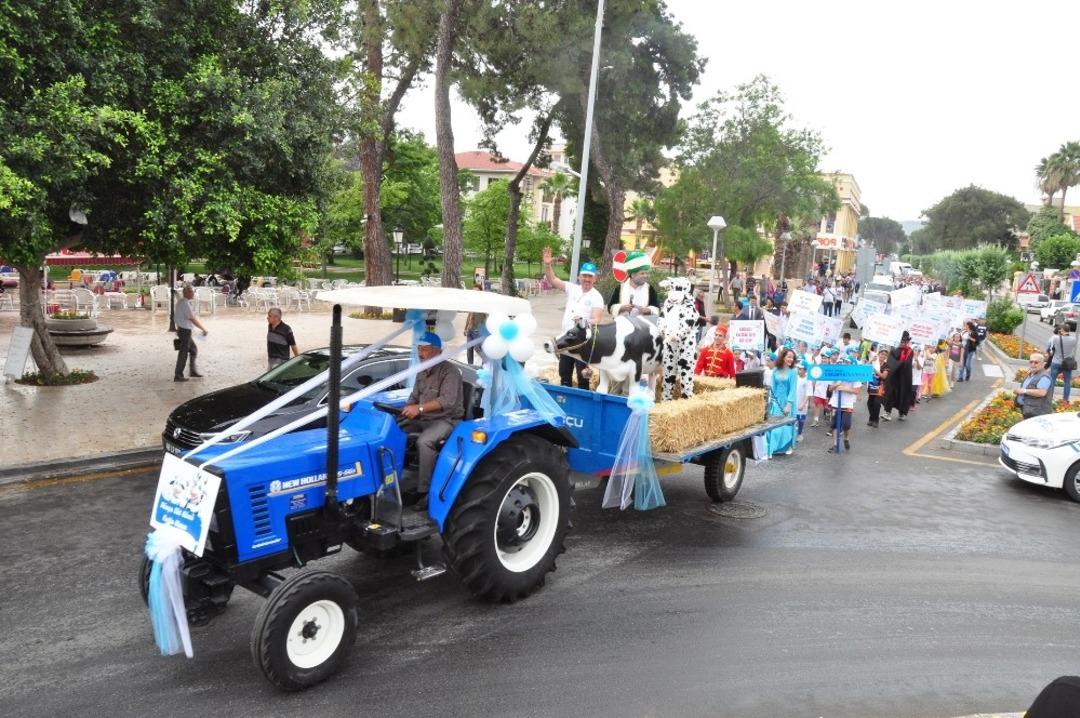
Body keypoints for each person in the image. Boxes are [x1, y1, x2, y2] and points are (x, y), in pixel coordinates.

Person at [399, 332, 464, 509]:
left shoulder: (450, 372)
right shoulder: (421, 372)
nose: (421, 353)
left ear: (438, 351)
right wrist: (405, 410)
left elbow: (447, 401)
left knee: (425, 442)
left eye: (425, 350)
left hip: (447, 419)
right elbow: (414, 396)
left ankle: (425, 492)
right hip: (423, 418)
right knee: (394, 431)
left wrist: (418, 408)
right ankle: (397, 484)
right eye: (419, 349)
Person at [544, 246, 603, 388]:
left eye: (590, 276)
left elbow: (597, 320)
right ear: (579, 277)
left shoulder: (597, 297)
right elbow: (552, 280)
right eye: (584, 276)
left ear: (595, 278)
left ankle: (583, 403)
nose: (586, 279)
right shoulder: (572, 288)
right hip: (566, 339)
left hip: (582, 343)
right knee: (564, 373)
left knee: (583, 376)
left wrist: (583, 321)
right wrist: (547, 265)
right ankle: (565, 400)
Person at [765, 348, 798, 456]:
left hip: (788, 401)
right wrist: (771, 401)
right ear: (783, 357)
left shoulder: (793, 371)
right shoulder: (775, 370)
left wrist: (788, 405)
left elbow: (793, 389)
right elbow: (772, 387)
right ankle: (773, 447)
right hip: (776, 401)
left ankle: (784, 447)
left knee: (785, 425)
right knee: (774, 424)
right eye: (788, 357)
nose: (790, 359)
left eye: (792, 358)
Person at [608, 250, 659, 318]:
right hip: (623, 325)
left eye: (647, 273)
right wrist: (621, 308)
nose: (646, 276)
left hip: (644, 326)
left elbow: (658, 308)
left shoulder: (650, 289)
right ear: (632, 275)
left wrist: (649, 310)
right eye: (642, 273)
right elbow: (610, 308)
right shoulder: (620, 288)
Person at [826, 358, 862, 451]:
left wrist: (844, 388)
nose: (844, 365)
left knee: (846, 425)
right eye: (843, 363)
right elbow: (830, 389)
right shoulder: (836, 374)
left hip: (847, 404)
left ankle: (846, 438)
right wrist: (836, 385)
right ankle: (835, 444)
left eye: (847, 363)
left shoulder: (855, 376)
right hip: (835, 403)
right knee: (834, 424)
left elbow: (857, 391)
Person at [173, 285, 207, 382]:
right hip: (185, 331)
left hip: (182, 330)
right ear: (186, 293)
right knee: (183, 354)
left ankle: (192, 371)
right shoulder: (185, 304)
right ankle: (178, 375)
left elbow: (179, 317)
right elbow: (192, 318)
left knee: (193, 350)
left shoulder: (181, 302)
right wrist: (203, 329)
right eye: (191, 291)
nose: (193, 293)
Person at [883, 331, 915, 421]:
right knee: (890, 393)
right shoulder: (894, 350)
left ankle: (902, 412)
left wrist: (899, 364)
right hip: (894, 377)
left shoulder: (910, 351)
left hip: (904, 377)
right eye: (901, 341)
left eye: (904, 342)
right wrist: (898, 364)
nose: (903, 343)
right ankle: (887, 412)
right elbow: (891, 363)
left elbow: (907, 364)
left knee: (903, 394)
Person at [1015, 353, 1054, 419]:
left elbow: (1041, 392)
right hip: (1028, 410)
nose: (1033, 364)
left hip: (1037, 413)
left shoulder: (1044, 377)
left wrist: (1024, 391)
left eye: (1036, 362)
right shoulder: (1031, 374)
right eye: (1031, 362)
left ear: (1042, 364)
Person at [1047, 325, 1076, 403]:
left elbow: (1049, 347)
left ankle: (1049, 398)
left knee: (1052, 380)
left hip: (1055, 362)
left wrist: (1059, 335)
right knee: (1067, 382)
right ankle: (1065, 400)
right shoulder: (1073, 339)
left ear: (1061, 330)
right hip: (1067, 364)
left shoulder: (1055, 338)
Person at [464, 282, 487, 366]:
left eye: (477, 291)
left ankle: (485, 365)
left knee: (479, 349)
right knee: (469, 349)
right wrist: (465, 327)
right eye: (473, 291)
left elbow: (486, 317)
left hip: (477, 331)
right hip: (470, 330)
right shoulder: (472, 302)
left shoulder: (483, 304)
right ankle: (470, 366)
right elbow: (470, 315)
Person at [867, 348, 889, 428]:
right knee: (870, 403)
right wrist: (871, 360)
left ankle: (875, 420)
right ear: (879, 354)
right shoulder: (874, 362)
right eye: (882, 354)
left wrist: (876, 371)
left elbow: (884, 376)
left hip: (880, 386)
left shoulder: (886, 366)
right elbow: (865, 367)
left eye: (885, 355)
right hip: (872, 384)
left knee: (877, 403)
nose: (883, 356)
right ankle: (872, 417)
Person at [795, 363, 809, 442]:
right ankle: (793, 434)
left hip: (802, 404)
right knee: (794, 419)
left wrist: (803, 404)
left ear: (805, 370)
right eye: (798, 368)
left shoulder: (807, 380)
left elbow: (808, 394)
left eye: (800, 369)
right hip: (795, 402)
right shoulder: (795, 378)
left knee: (801, 420)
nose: (798, 370)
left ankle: (800, 434)